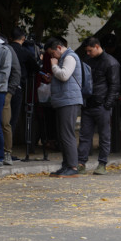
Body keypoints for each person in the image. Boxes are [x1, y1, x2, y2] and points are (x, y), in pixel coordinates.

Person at [76, 37, 120, 176]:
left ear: (96, 46)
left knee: (103, 136)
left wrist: (107, 104)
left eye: (89, 50)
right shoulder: (93, 61)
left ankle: (101, 163)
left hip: (100, 104)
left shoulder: (111, 63)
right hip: (91, 103)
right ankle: (81, 163)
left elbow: (114, 85)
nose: (88, 53)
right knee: (85, 135)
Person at [44, 37, 84, 178]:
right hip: (63, 100)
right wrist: (53, 75)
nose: (52, 57)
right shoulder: (63, 58)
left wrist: (54, 67)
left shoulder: (70, 57)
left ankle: (73, 166)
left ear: (59, 48)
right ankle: (66, 165)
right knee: (62, 135)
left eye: (52, 53)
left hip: (69, 100)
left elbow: (64, 75)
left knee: (67, 134)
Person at [0, 23, 21, 166]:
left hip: (4, 90)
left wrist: (10, 91)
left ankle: (6, 153)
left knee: (4, 123)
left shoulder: (6, 49)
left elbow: (15, 71)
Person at [9, 28, 40, 151]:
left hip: (2, 88)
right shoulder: (24, 52)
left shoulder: (6, 49)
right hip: (17, 86)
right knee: (12, 118)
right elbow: (35, 68)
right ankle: (7, 149)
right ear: (23, 39)